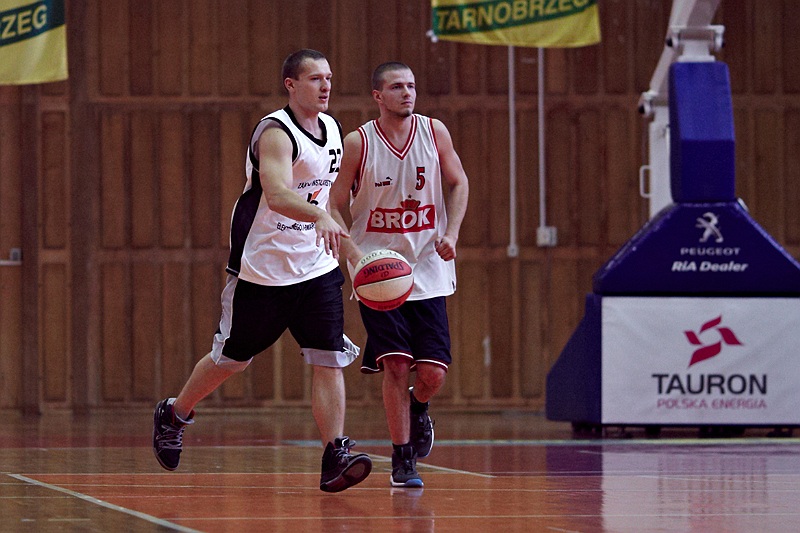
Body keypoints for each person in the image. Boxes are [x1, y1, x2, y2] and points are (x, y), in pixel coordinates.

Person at [152, 49, 372, 493]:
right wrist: (320, 215)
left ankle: (335, 453)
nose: (326, 86)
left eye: (329, 78)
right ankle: (174, 414)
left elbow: (328, 202)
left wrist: (353, 255)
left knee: (328, 357)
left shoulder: (332, 129)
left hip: (315, 265)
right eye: (315, 78)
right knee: (232, 359)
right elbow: (276, 194)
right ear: (291, 84)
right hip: (264, 268)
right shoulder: (275, 132)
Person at [329, 61, 469, 488]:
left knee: (433, 375)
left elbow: (459, 182)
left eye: (411, 85)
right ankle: (402, 458)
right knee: (395, 364)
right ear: (378, 96)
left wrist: (451, 233)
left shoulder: (434, 132)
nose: (407, 93)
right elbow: (333, 203)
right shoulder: (359, 142)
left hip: (427, 266)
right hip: (379, 271)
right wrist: (353, 254)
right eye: (396, 87)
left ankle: (418, 407)